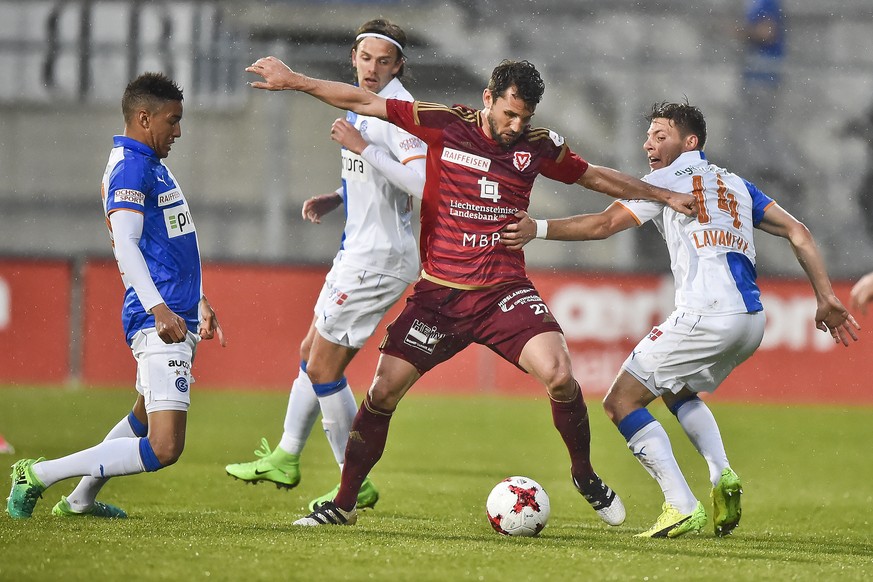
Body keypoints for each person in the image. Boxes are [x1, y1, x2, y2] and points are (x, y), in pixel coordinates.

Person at [246, 55, 698, 527]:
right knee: (381, 393)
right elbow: (364, 100)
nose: (516, 125)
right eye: (509, 113)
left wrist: (663, 196)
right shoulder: (444, 123)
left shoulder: (538, 146)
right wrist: (295, 80)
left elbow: (595, 176)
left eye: (525, 117)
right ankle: (342, 505)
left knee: (561, 374)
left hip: (503, 292)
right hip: (438, 297)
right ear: (488, 99)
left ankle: (584, 473)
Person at [500, 100, 860, 538]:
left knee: (621, 402)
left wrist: (535, 229)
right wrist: (825, 296)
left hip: (707, 314)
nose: (647, 143)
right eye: (648, 134)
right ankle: (721, 473)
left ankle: (680, 504)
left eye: (660, 135)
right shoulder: (736, 185)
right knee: (676, 389)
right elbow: (799, 232)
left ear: (689, 142)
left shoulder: (666, 180)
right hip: (751, 321)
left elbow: (602, 225)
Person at [225, 18, 426, 512]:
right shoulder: (362, 109)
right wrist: (339, 196)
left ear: (399, 65)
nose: (373, 68)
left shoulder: (396, 114)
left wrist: (363, 149)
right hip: (358, 250)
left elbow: (422, 183)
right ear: (353, 59)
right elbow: (376, 176)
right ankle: (287, 456)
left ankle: (351, 484)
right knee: (310, 349)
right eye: (366, 58)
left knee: (322, 365)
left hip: (377, 259)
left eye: (384, 60)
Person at [5, 72, 225, 519]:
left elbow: (174, 243)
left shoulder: (151, 166)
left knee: (141, 419)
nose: (178, 132)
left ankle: (80, 500)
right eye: (172, 121)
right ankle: (39, 474)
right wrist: (159, 307)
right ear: (144, 118)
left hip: (176, 312)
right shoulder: (131, 167)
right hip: (158, 318)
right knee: (164, 446)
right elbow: (126, 244)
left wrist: (198, 299)